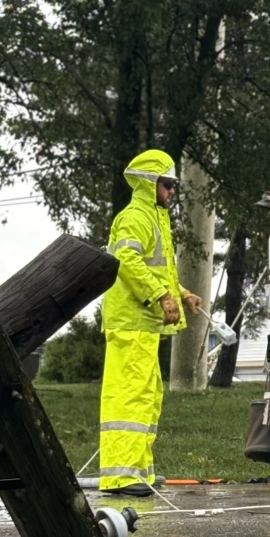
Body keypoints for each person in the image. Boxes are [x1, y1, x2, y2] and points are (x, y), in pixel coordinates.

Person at [98, 149, 204, 496]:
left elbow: (157, 269)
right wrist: (160, 296)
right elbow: (125, 260)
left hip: (141, 322)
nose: (172, 191)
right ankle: (122, 475)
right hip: (132, 321)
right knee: (130, 397)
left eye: (173, 185)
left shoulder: (152, 217)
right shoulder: (136, 218)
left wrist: (181, 294)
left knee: (145, 395)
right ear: (149, 183)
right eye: (167, 184)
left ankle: (137, 470)